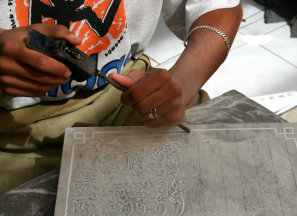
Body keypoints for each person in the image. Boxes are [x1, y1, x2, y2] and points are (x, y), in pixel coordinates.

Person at [0, 1, 243, 193]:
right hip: (11, 131)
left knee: (221, 181)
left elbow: (219, 8)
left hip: (123, 95)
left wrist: (183, 81)